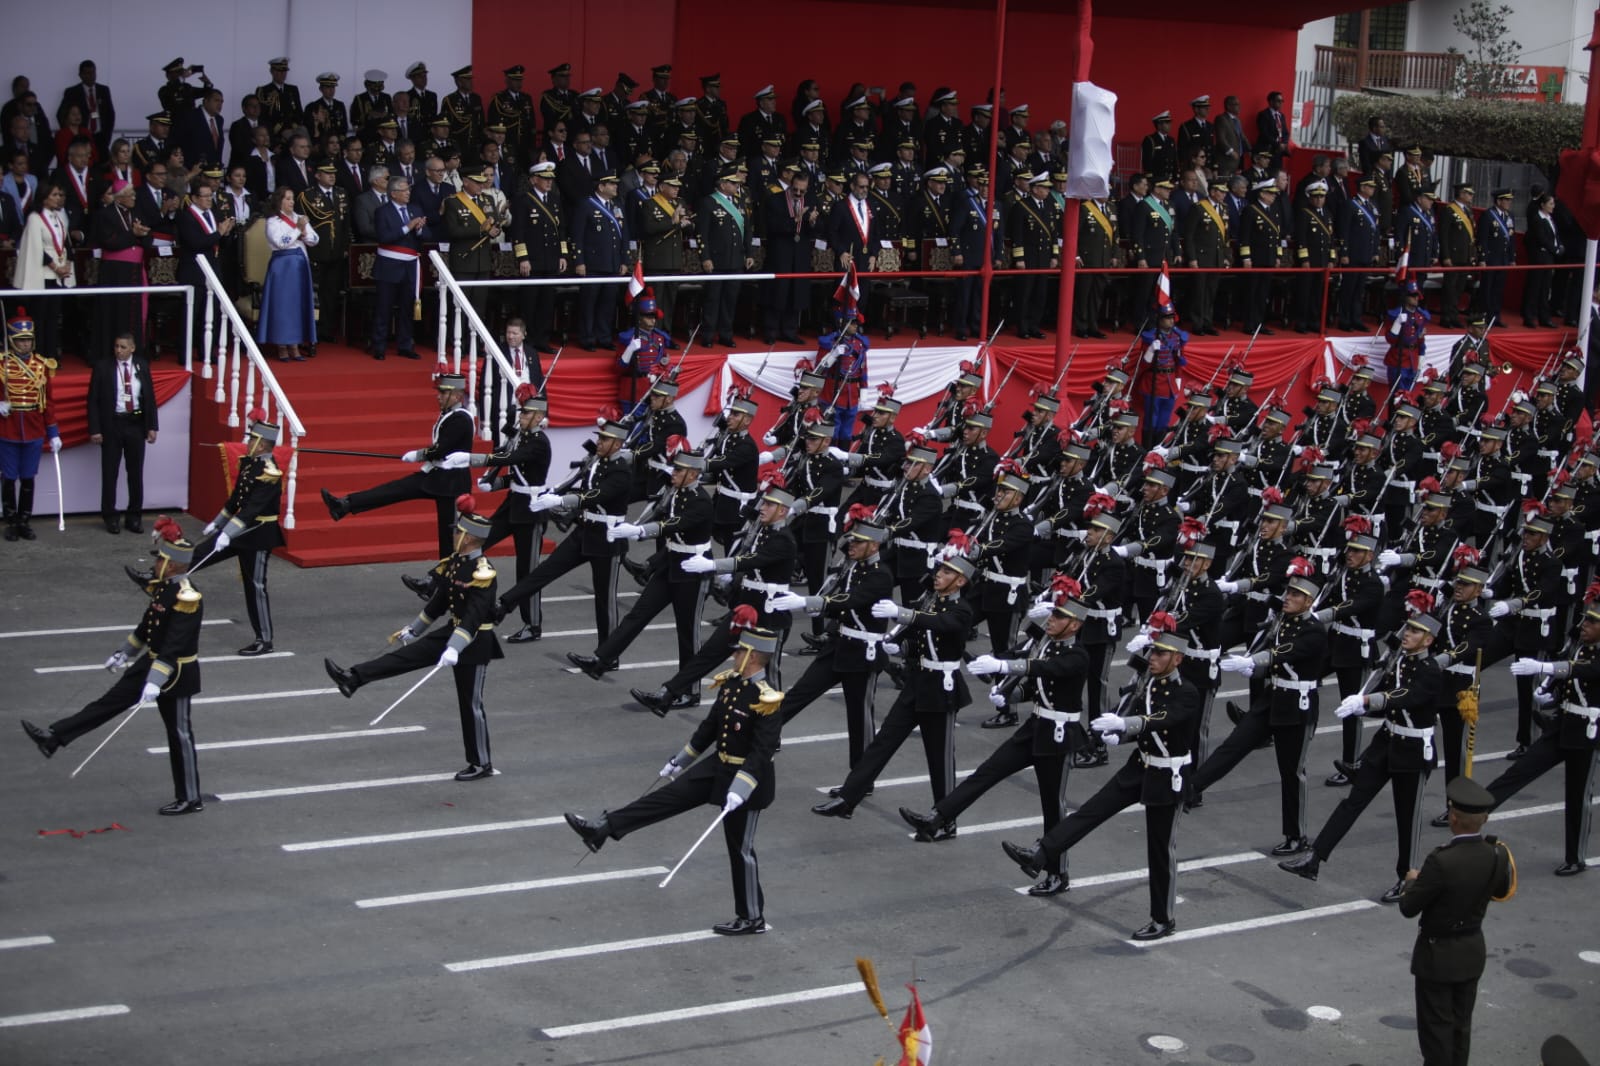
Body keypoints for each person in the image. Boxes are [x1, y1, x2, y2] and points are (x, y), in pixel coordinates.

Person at [565, 624, 785, 936]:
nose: (733, 654)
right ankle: (604, 828)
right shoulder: (732, 684)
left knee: (741, 849)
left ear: (751, 657)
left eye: (738, 651)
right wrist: (681, 760)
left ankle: (752, 917)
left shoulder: (767, 699)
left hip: (747, 782)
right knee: (665, 798)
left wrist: (741, 788)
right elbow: (710, 729)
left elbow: (762, 752)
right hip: (718, 767)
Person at [1002, 625, 1199, 940]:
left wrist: (1128, 724)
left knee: (1159, 848)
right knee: (1090, 811)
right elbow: (1133, 717)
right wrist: (1118, 733)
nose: (1152, 658)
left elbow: (1166, 719)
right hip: (1141, 766)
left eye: (1160, 653)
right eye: (1152, 651)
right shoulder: (1146, 683)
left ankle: (1163, 919)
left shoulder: (1186, 692)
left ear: (1176, 659)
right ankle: (1040, 854)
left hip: (1167, 775)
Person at [905, 595, 1092, 895]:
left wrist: (1005, 665)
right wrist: (1010, 696)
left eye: (1059, 617)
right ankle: (937, 817)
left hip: (1058, 734)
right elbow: (1034, 686)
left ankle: (1057, 872)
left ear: (1075, 625)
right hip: (1035, 727)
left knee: (1051, 804)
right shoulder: (1047, 644)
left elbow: (1046, 671)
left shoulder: (1078, 655)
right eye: (1053, 616)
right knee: (987, 772)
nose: (1052, 621)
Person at [21, 520, 205, 815]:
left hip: (175, 673)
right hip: (151, 663)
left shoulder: (186, 597)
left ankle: (190, 797)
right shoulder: (163, 588)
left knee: (179, 734)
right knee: (108, 703)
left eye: (161, 559)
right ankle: (54, 738)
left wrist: (156, 680)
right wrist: (125, 652)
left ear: (174, 567)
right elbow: (147, 626)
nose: (156, 563)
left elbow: (175, 645)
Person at [325, 496, 502, 782]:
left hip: (474, 642)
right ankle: (353, 678)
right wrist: (415, 629)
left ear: (470, 539)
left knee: (470, 703)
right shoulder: (456, 563)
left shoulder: (483, 573)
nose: (454, 534)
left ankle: (481, 762)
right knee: (404, 656)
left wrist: (455, 648)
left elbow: (475, 616)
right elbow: (439, 601)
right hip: (453, 631)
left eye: (458, 532)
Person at [1282, 615, 1444, 902]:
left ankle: (1406, 877)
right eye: (1408, 628)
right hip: (1386, 742)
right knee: (1353, 801)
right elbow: (1389, 705)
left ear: (1428, 640)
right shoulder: (1400, 660)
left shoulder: (1429, 669)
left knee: (1407, 818)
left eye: (1416, 631)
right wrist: (1364, 709)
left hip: (1413, 750)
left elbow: (1406, 696)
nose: (1407, 634)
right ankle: (1315, 858)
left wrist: (1368, 701)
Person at [811, 553, 976, 819]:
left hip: (940, 690)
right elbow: (922, 639)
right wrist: (900, 645)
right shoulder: (931, 601)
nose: (938, 575)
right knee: (883, 743)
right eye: (940, 571)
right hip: (917, 683)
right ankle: (847, 799)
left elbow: (941, 625)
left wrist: (902, 613)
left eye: (946, 573)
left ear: (960, 581)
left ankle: (944, 819)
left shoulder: (961, 610)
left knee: (939, 757)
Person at [1397, 776, 1516, 1066]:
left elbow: (1409, 907)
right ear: (1483, 819)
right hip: (1472, 950)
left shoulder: (1441, 861)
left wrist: (1412, 882)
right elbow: (1501, 891)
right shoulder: (1496, 853)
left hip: (1438, 956)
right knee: (1460, 1030)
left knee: (1437, 1034)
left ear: (1453, 817)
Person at [569, 442, 713, 680]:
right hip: (671, 562)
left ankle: (689, 689)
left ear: (693, 474)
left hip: (692, 570)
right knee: (638, 614)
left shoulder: (700, 501)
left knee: (687, 632)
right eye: (674, 469)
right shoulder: (675, 492)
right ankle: (601, 660)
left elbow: (674, 525)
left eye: (679, 471)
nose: (673, 474)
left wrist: (638, 532)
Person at [496, 417, 633, 645]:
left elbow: (595, 496)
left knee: (604, 599)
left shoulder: (621, 471)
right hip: (584, 532)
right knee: (545, 571)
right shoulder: (597, 462)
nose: (599, 442)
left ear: (617, 445)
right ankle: (504, 605)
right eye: (599, 437)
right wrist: (552, 493)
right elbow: (576, 483)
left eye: (605, 439)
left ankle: (607, 654)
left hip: (607, 539)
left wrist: (559, 501)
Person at [1490, 600, 1600, 876]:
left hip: (1587, 733)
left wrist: (1544, 669)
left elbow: (1587, 671)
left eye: (1591, 622)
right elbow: (1570, 680)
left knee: (1577, 796)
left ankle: (1575, 857)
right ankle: (1474, 811)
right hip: (1562, 725)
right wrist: (1550, 696)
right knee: (1521, 770)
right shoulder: (1579, 646)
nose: (1584, 625)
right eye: (1585, 620)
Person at [86, 332, 157, 535]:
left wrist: (151, 426)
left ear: (132, 348)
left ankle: (134, 517)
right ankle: (110, 516)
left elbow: (149, 397)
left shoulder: (141, 365)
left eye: (123, 347)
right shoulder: (103, 367)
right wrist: (95, 429)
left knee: (135, 473)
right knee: (110, 473)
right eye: (116, 346)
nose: (119, 350)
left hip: (135, 423)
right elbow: (93, 400)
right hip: (112, 424)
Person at [0, 308, 60, 542]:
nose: (25, 344)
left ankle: (25, 521)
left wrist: (53, 432)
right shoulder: (2, 365)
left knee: (28, 477)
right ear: (12, 341)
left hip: (33, 428)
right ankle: (11, 521)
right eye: (20, 340)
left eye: (27, 340)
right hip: (8, 429)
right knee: (9, 477)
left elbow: (49, 402)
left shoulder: (42, 365)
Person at [370, 176, 430, 361]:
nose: (408, 193)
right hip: (389, 265)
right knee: (384, 307)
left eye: (408, 190)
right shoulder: (383, 212)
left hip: (410, 266)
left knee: (407, 308)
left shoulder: (415, 209)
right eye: (404, 190)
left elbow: (427, 234)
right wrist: (407, 227)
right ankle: (378, 345)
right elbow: (384, 236)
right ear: (394, 193)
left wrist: (419, 229)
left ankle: (405, 344)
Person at [13, 183, 75, 362]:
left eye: (59, 194)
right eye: (55, 195)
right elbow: (35, 248)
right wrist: (55, 267)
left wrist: (67, 266)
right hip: (42, 274)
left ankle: (51, 355)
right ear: (44, 197)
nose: (58, 198)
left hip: (58, 275)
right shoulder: (35, 218)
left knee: (53, 318)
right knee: (40, 318)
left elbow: (64, 244)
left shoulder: (57, 217)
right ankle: (39, 355)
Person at [257, 186, 318, 362]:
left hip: (300, 265)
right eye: (287, 198)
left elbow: (314, 240)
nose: (291, 202)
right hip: (282, 266)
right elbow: (281, 242)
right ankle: (282, 346)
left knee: (297, 305)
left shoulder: (300, 218)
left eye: (292, 199)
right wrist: (298, 230)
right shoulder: (273, 222)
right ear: (279, 201)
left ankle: (295, 345)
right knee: (283, 306)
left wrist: (304, 232)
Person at [299, 162, 350, 353]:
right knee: (315, 294)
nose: (332, 176)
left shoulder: (341, 193)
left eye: (333, 173)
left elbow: (346, 222)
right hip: (317, 252)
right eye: (327, 174)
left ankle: (327, 329)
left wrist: (346, 246)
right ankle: (313, 330)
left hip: (337, 251)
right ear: (318, 175)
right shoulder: (308, 195)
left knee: (331, 293)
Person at [699, 169, 752, 347]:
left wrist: (749, 253)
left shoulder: (740, 202)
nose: (738, 186)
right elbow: (702, 234)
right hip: (716, 261)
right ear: (723, 184)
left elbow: (748, 230)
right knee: (712, 300)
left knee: (730, 300)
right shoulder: (708, 202)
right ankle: (707, 335)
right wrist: (705, 257)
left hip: (736, 259)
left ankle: (726, 334)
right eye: (733, 183)